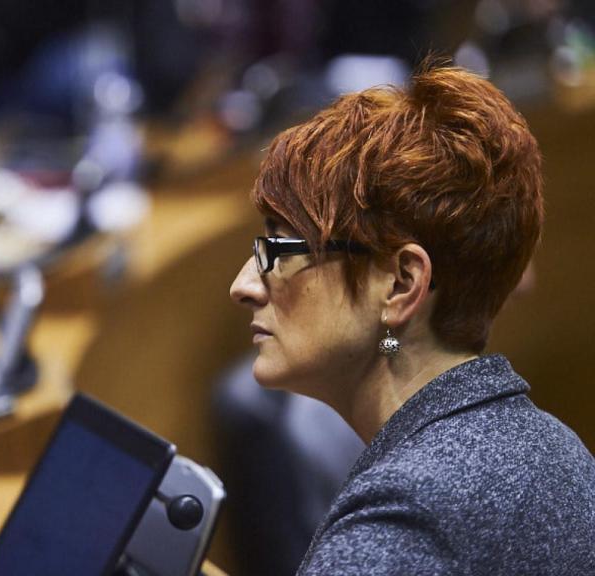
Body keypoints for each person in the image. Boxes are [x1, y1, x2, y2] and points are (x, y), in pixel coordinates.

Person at [229, 62, 595, 575]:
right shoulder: (556, 447)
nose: (243, 286)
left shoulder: (400, 526)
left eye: (282, 249)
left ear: (401, 284)